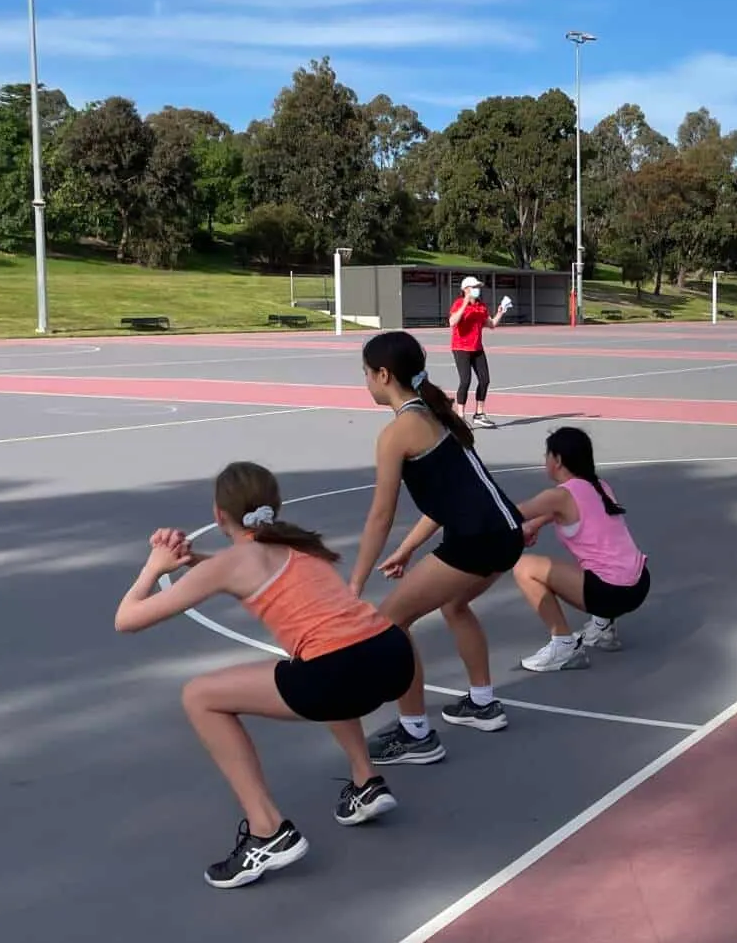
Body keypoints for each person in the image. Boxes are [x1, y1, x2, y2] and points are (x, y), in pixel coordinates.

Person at [114, 462, 414, 889]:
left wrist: (154, 567)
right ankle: (366, 780)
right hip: (392, 656)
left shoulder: (234, 563)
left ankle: (267, 830)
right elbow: (241, 569)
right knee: (311, 655)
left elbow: (127, 620)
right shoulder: (297, 545)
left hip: (341, 675)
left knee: (200, 696)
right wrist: (191, 561)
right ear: (273, 506)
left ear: (219, 515)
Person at [351, 331, 526, 767]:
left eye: (366, 374)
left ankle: (416, 733)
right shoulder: (435, 414)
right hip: (506, 531)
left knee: (391, 622)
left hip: (478, 540)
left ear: (384, 375)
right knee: (455, 605)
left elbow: (380, 516)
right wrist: (409, 549)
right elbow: (450, 499)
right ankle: (482, 704)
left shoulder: (398, 433)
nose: (366, 382)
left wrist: (354, 583)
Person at [511, 428, 651, 673]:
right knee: (602, 559)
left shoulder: (558, 495)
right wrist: (535, 525)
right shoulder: (599, 486)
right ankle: (602, 629)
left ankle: (563, 646)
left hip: (611, 593)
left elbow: (507, 515)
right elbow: (567, 510)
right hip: (639, 584)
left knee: (525, 567)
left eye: (547, 455)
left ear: (558, 460)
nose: (545, 460)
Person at [448, 277, 505, 430]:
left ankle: (479, 414)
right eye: (475, 287)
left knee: (485, 380)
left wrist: (500, 313)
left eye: (478, 287)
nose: (478, 289)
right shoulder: (458, 304)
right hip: (461, 348)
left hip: (477, 348)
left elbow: (491, 324)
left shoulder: (481, 306)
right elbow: (452, 322)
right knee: (465, 381)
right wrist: (466, 302)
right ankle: (460, 417)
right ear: (466, 289)